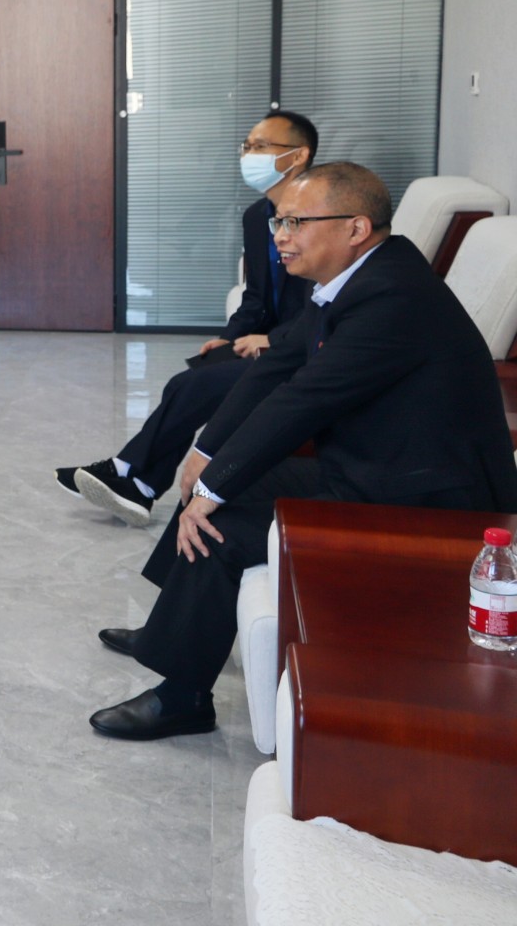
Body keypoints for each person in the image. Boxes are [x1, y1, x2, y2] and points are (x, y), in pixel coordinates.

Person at [90, 163, 517, 740]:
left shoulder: (392, 297)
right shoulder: (358, 276)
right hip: (373, 465)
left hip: (422, 497)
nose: (280, 237)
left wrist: (215, 485)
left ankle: (182, 698)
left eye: (295, 222)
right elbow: (279, 366)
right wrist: (205, 453)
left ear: (355, 228)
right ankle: (173, 627)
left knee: (220, 522)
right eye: (278, 222)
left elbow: (305, 399)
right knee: (216, 483)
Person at [58, 111, 318, 524]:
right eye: (246, 147)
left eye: (261, 147)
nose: (249, 155)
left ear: (299, 155)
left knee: (191, 385)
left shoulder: (321, 219)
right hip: (270, 342)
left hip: (303, 351)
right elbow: (255, 297)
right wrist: (230, 337)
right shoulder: (257, 216)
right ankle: (136, 480)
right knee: (193, 376)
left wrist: (273, 340)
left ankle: (133, 476)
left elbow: (326, 304)